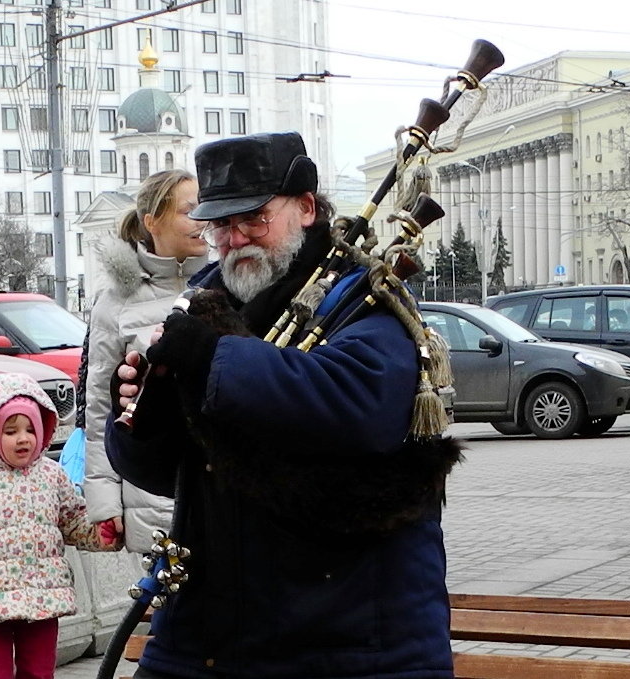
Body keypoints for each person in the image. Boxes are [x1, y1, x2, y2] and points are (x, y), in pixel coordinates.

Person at [105, 132, 463, 679]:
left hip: (349, 645)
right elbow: (165, 472)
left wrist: (213, 358)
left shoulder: (364, 301)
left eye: (254, 218)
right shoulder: (206, 305)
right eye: (221, 224)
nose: (234, 237)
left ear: (307, 207)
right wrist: (141, 419)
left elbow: (357, 405)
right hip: (209, 637)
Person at [0, 372, 115, 679]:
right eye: (11, 431)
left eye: (30, 429)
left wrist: (102, 534)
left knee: (39, 673)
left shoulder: (53, 476)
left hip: (42, 600)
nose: (23, 438)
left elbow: (75, 523)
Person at [84, 169, 209, 552]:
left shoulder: (225, 283)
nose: (202, 220)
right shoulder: (116, 303)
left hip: (223, 486)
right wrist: (104, 499)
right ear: (151, 221)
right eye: (189, 211)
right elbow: (100, 409)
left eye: (204, 208)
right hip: (152, 502)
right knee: (165, 608)